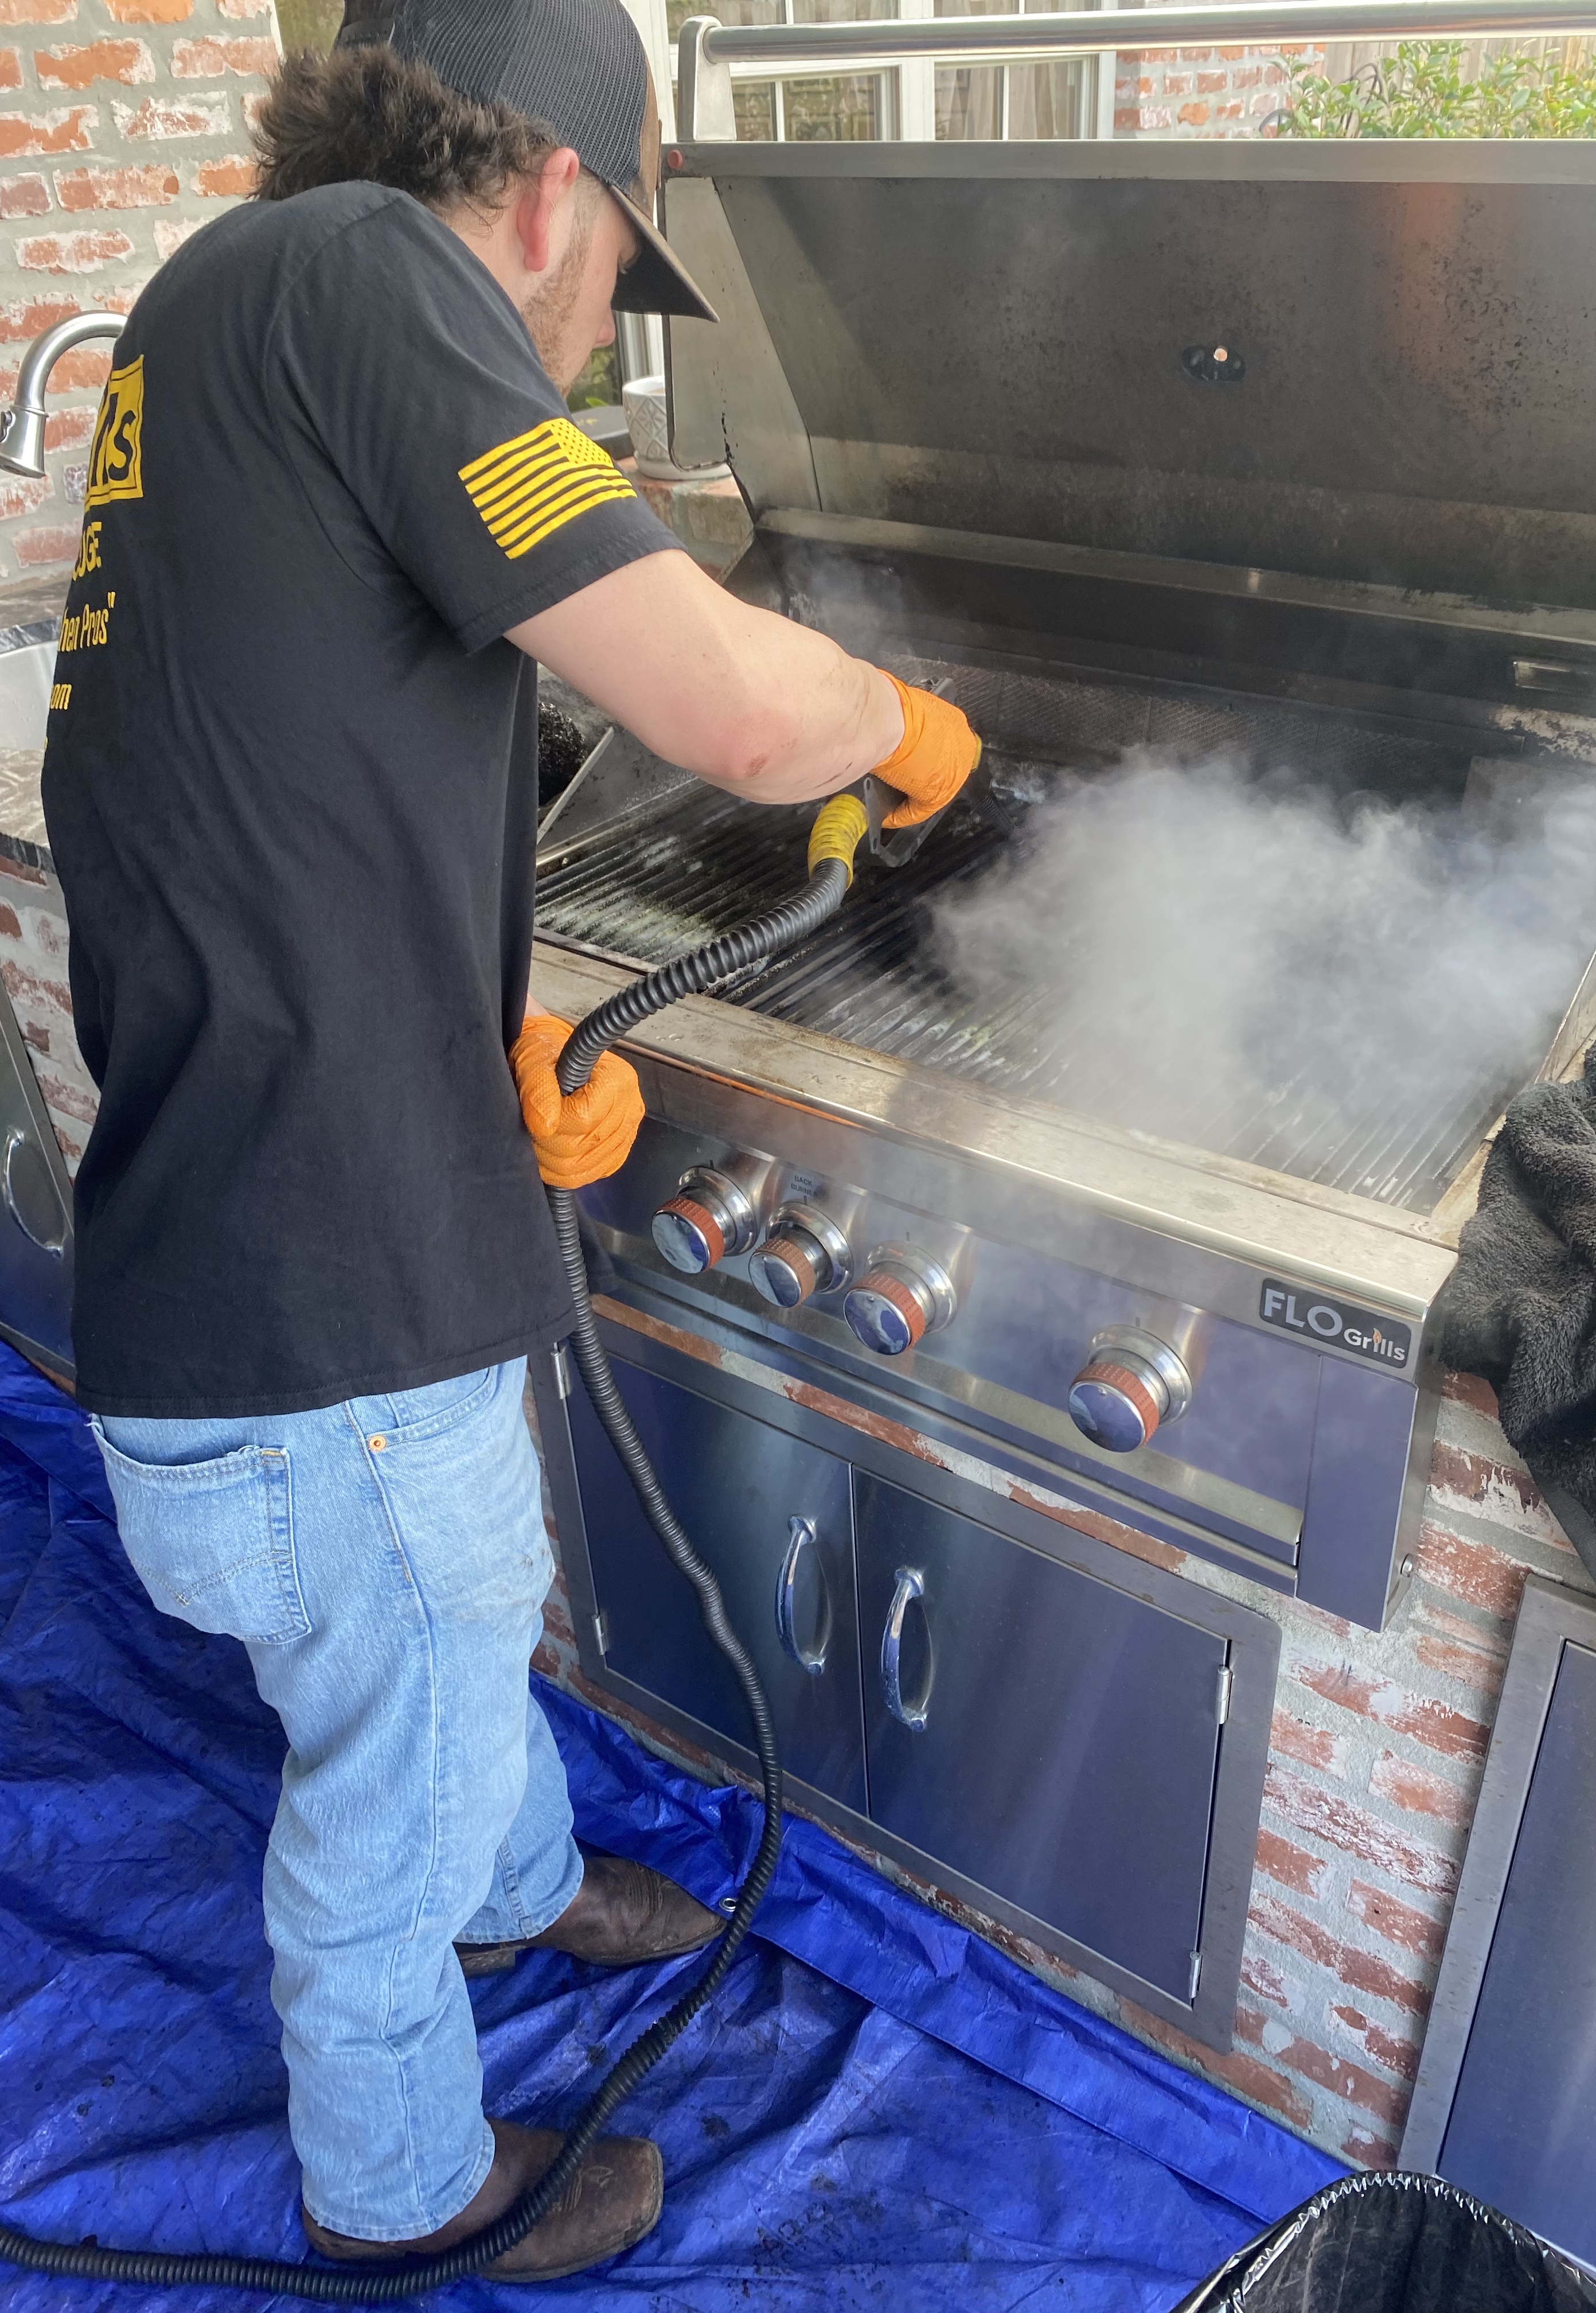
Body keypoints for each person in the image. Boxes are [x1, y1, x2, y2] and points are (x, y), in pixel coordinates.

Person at [38, 0, 981, 2280]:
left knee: (459, 1625)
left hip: (264, 1228)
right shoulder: (380, 274)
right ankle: (398, 2188)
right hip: (313, 1309)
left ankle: (521, 1888)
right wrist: (900, 725)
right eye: (620, 269)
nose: (588, 331)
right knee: (396, 1737)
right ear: (558, 187)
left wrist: (484, 1055)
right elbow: (733, 709)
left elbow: (281, 806)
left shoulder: (227, 312)